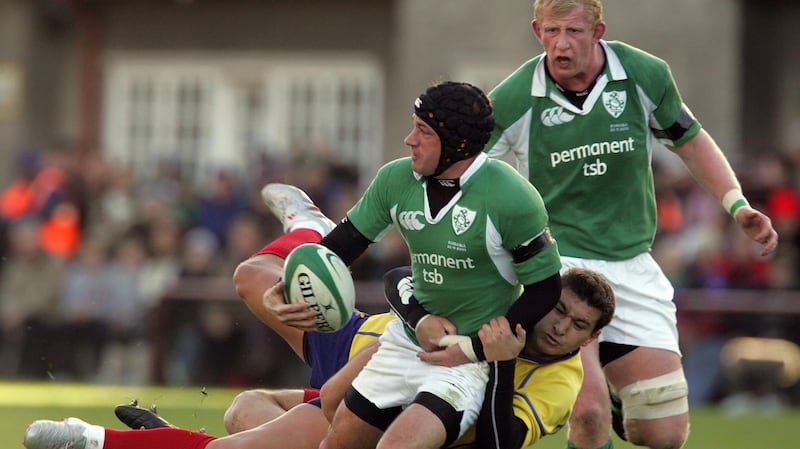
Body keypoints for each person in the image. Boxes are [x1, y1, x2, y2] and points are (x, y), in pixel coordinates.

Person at [465, 1, 779, 449]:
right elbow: (468, 174)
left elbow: (691, 143)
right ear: (537, 31)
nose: (561, 43)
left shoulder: (644, 74)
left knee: (663, 434)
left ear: (598, 32)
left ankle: (614, 386)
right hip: (560, 264)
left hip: (633, 264)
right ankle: (598, 391)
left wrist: (737, 204)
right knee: (588, 414)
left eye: (573, 31)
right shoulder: (515, 97)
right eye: (551, 31)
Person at [21, 265, 616, 449]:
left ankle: (103, 441)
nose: (560, 328)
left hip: (398, 410)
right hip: (368, 345)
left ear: (590, 339)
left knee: (247, 426)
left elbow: (499, 442)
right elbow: (401, 278)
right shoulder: (506, 294)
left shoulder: (560, 380)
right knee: (253, 280)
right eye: (560, 311)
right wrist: (419, 322)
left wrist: (502, 361)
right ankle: (306, 224)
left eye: (577, 327)